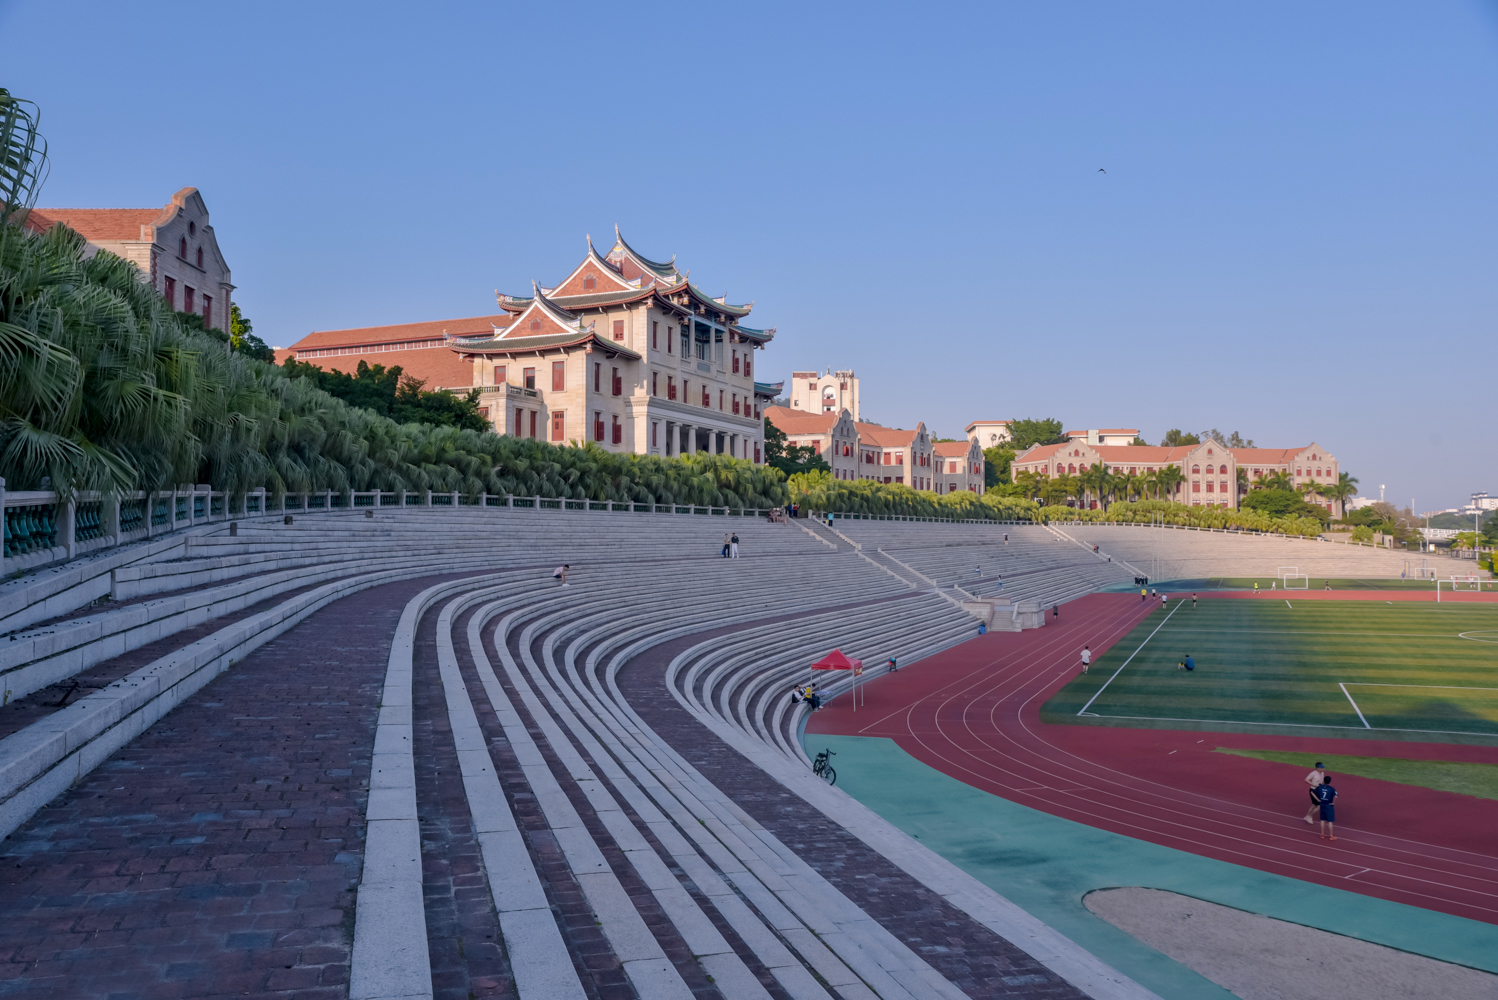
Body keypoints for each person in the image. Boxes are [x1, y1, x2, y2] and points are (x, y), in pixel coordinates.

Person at [1316, 776, 1338, 840]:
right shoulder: (1332, 789)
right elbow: (1336, 796)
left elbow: (1312, 792)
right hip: (1329, 806)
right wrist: (1333, 803)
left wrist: (1318, 800)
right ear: (1330, 781)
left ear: (1324, 781)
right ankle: (1331, 835)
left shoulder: (1320, 787)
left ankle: (1322, 834)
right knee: (1330, 821)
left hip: (1322, 804)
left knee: (1322, 820)